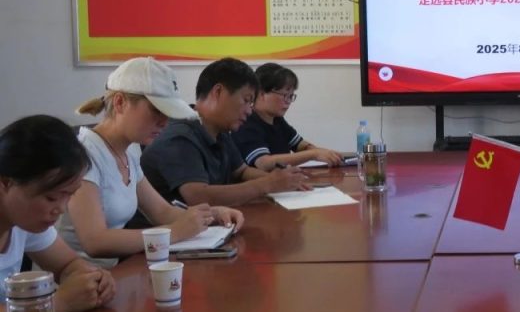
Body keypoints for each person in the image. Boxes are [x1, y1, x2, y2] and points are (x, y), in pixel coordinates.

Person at [58, 57, 245, 268]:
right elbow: (95, 241)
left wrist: (211, 215)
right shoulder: (85, 154)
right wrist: (173, 233)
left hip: (114, 274)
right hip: (76, 280)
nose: (164, 122)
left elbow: (162, 212)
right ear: (120, 102)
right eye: (156, 110)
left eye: (168, 113)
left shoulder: (130, 150)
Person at [0, 115, 116, 312]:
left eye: (69, 195)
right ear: (6, 182)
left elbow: (67, 265)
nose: (61, 209)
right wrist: (59, 303)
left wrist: (91, 280)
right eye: (51, 198)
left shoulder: (22, 221)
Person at [141, 58, 308, 207]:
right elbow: (198, 196)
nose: (249, 111)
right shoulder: (179, 136)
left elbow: (242, 172)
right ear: (218, 92)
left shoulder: (220, 130)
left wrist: (283, 180)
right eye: (246, 100)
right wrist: (268, 184)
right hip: (164, 230)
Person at [233, 62, 344, 170]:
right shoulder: (246, 123)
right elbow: (264, 163)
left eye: (291, 96)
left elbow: (300, 145)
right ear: (262, 94)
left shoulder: (277, 120)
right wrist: (313, 154)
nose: (288, 101)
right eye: (284, 95)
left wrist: (325, 153)